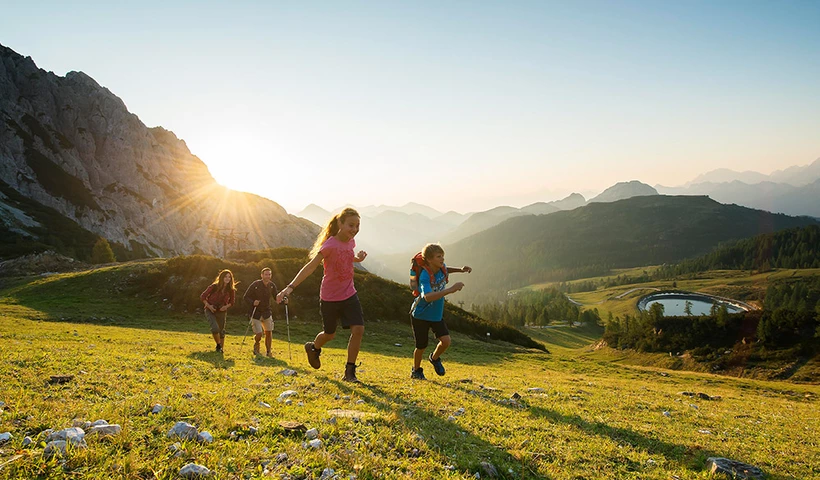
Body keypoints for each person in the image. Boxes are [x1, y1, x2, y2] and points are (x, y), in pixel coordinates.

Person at [276, 208, 367, 382]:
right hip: (330, 297)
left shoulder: (350, 242)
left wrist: (358, 259)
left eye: (357, 225)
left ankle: (350, 371)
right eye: (350, 225)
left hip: (349, 293)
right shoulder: (329, 245)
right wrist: (290, 287)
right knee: (329, 334)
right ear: (340, 224)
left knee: (359, 330)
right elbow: (311, 266)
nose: (354, 229)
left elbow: (347, 256)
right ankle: (313, 348)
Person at [409, 243, 471, 380]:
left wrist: (461, 270)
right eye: (439, 256)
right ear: (429, 260)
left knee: (446, 341)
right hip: (420, 315)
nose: (442, 259)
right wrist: (450, 290)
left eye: (443, 255)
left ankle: (434, 358)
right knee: (421, 346)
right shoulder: (425, 276)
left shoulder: (441, 268)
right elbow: (427, 296)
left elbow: (446, 269)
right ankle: (416, 370)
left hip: (436, 315)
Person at [243, 267, 278, 357]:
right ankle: (256, 344)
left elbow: (276, 297)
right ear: (261, 275)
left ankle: (268, 351)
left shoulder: (272, 285)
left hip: (267, 312)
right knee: (259, 334)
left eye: (269, 274)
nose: (268, 276)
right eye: (266, 274)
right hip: (255, 313)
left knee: (269, 332)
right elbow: (246, 297)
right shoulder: (255, 284)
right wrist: (253, 302)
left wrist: (283, 300)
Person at [200, 269, 237, 353]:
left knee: (221, 331)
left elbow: (232, 302)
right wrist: (209, 306)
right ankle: (219, 345)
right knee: (215, 328)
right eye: (225, 277)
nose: (227, 279)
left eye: (229, 277)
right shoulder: (214, 286)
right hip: (210, 310)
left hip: (221, 311)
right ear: (221, 277)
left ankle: (221, 350)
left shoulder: (231, 290)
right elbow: (203, 296)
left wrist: (226, 307)